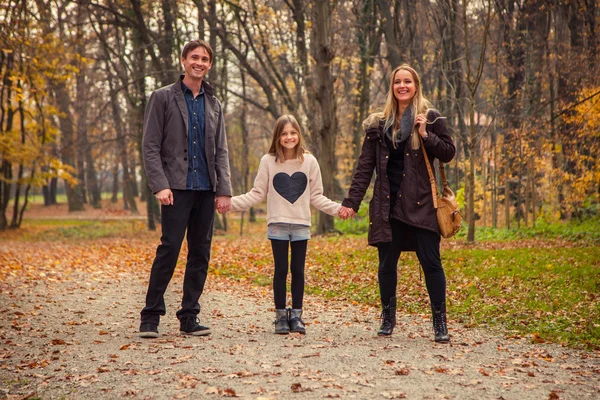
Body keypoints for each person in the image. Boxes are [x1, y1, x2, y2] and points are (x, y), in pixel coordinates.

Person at [339, 64, 456, 343]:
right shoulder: (378, 125)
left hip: (422, 204)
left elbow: (448, 153)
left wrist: (426, 134)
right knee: (386, 264)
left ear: (416, 85)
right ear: (392, 88)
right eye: (397, 82)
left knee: (432, 263)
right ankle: (387, 317)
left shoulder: (429, 117)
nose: (402, 86)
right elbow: (364, 168)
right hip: (387, 205)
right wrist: (351, 202)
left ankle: (440, 323)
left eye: (408, 81)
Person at [139, 40, 232, 338]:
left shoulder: (213, 104)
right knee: (169, 250)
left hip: (206, 189)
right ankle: (150, 316)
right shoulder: (162, 98)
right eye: (195, 57)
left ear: (210, 65)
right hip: (175, 190)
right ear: (183, 61)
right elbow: (150, 146)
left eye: (205, 59)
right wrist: (160, 185)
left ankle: (189, 316)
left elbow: (221, 151)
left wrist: (224, 190)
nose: (200, 62)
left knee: (200, 254)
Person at [220, 115, 346, 335]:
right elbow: (257, 193)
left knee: (297, 270)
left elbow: (316, 196)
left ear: (299, 135)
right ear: (277, 137)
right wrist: (230, 204)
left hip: (300, 226)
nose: (289, 137)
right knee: (280, 270)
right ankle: (280, 316)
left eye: (293, 133)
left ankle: (296, 316)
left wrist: (339, 209)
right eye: (284, 133)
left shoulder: (310, 162)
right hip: (277, 224)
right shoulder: (268, 161)